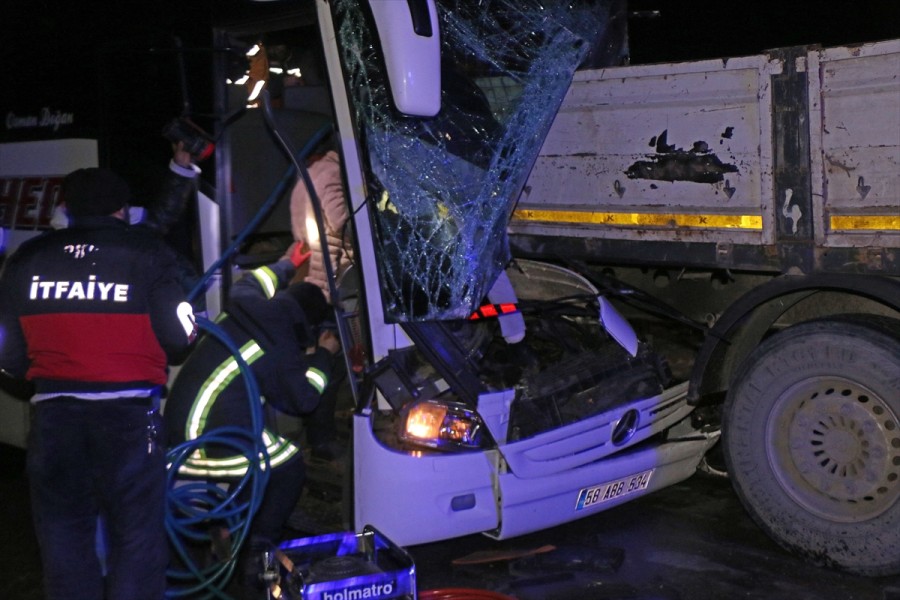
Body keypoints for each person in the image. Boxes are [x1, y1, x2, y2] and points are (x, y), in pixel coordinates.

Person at [0, 167, 197, 600]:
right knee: (136, 550)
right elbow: (180, 338)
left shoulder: (26, 259)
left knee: (65, 551)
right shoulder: (147, 253)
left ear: (65, 208)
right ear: (122, 210)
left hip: (54, 424)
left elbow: (8, 358)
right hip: (126, 425)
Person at [162, 245, 340, 590]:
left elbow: (257, 279)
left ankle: (225, 528)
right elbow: (302, 400)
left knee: (264, 448)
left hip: (182, 427)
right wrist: (322, 355)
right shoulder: (279, 344)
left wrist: (289, 262)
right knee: (287, 466)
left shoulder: (245, 301)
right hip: (205, 444)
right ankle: (259, 545)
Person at [288, 146, 354, 460]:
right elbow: (342, 220)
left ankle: (316, 433)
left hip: (310, 277)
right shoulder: (331, 174)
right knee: (328, 362)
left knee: (318, 360)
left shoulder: (311, 172)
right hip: (323, 281)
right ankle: (322, 440)